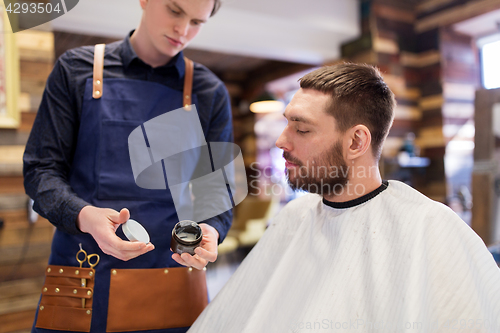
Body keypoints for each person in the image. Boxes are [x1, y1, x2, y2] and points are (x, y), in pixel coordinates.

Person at [187, 63, 500, 332]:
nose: (282, 141)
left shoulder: (428, 227)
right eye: (287, 123)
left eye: (302, 129)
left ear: (356, 142)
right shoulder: (294, 218)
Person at [23, 0, 233, 332]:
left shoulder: (210, 93)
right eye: (175, 11)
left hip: (171, 274)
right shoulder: (75, 70)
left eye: (197, 22)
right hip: (83, 270)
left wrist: (212, 231)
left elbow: (216, 194)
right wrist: (84, 215)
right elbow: (40, 169)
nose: (184, 30)